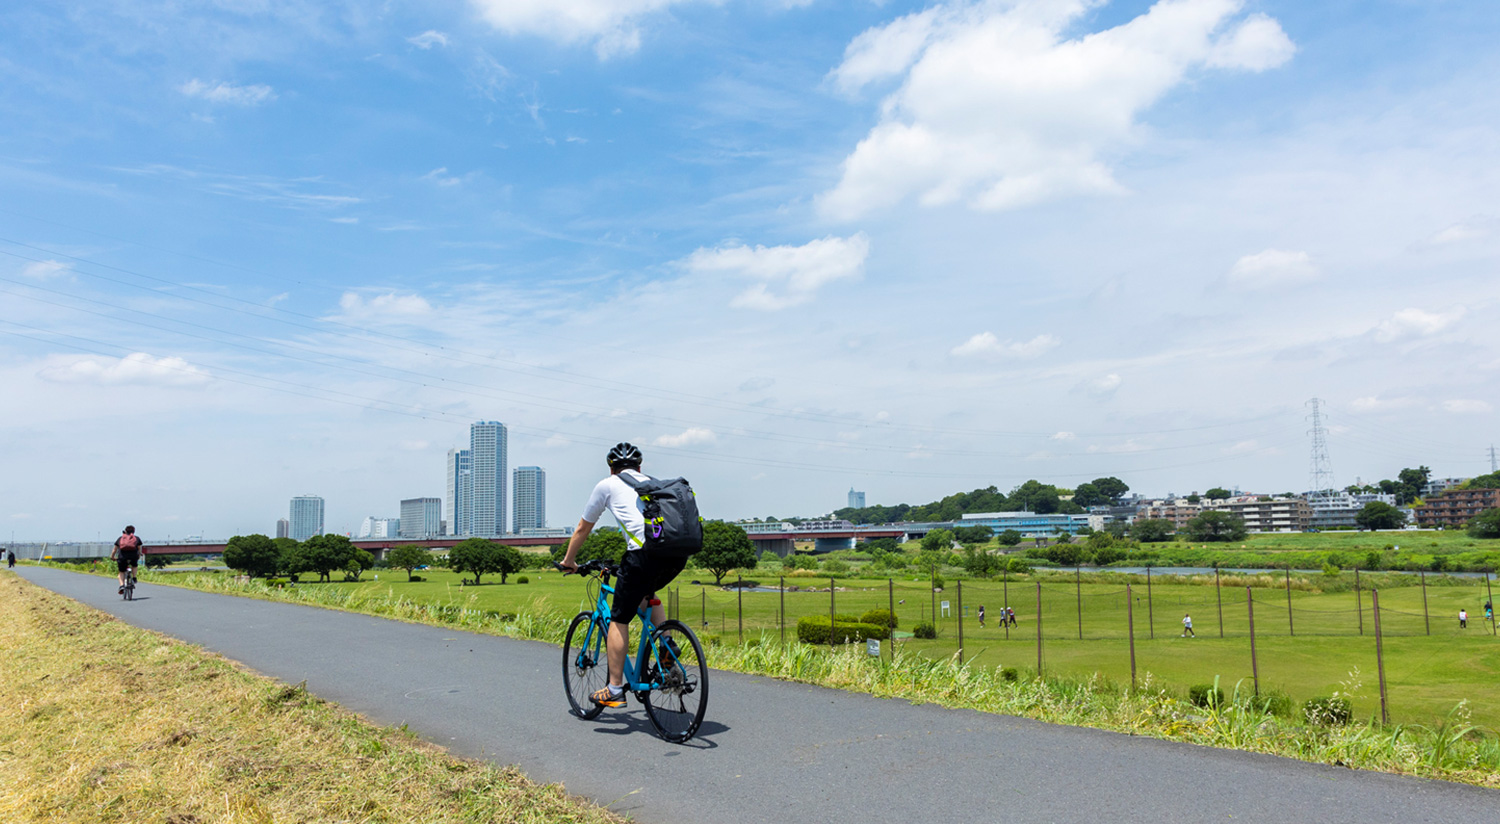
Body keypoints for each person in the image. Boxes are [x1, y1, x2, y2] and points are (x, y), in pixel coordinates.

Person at [559, 443, 689, 709]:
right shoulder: (653, 484)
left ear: (611, 468)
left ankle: (615, 687)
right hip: (676, 555)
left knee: (619, 618)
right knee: (646, 593)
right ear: (639, 468)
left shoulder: (607, 485)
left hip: (642, 555)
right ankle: (666, 643)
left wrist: (569, 561)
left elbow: (583, 528)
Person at [110, 525, 145, 594]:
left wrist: (112, 557)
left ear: (125, 531)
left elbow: (114, 550)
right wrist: (139, 554)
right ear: (133, 531)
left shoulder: (120, 539)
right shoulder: (136, 539)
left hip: (122, 557)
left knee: (121, 572)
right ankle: (134, 577)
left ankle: (122, 586)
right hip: (133, 557)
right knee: (134, 565)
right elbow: (139, 549)